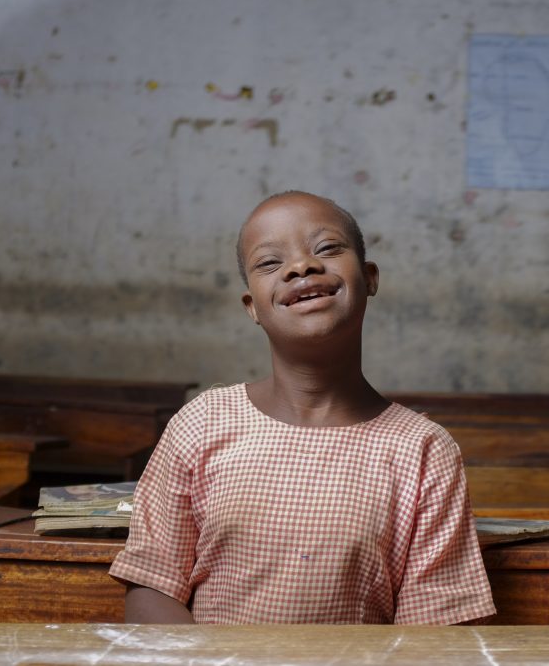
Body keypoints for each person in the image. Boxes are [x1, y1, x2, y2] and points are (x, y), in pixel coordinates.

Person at [109, 191, 496, 624]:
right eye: (270, 263)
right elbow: (152, 587)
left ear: (369, 278)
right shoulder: (201, 423)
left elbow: (436, 631)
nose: (301, 267)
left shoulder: (422, 450)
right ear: (252, 307)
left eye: (327, 249)